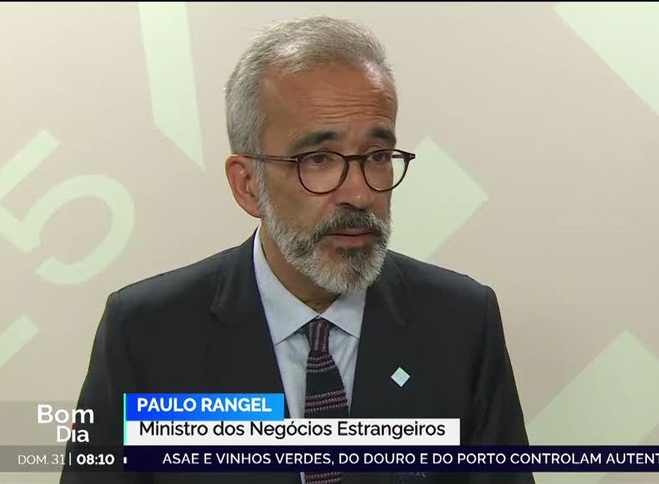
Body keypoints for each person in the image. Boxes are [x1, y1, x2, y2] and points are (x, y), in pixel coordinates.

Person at [60, 15, 533, 484]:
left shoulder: (460, 324)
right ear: (248, 184)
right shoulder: (148, 334)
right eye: (319, 159)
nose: (359, 193)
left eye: (376, 156)